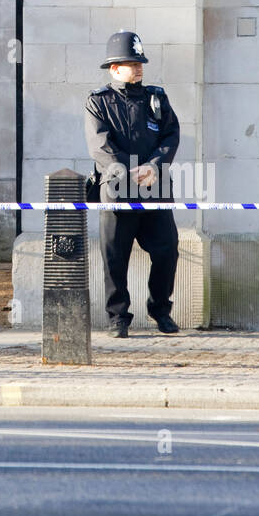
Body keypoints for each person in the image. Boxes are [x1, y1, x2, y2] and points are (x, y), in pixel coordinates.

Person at [84, 30, 181, 337]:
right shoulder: (98, 102)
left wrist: (153, 166)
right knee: (115, 259)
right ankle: (118, 318)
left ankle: (160, 310)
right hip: (117, 191)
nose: (138, 68)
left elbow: (170, 135)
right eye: (131, 63)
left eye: (140, 62)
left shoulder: (157, 98)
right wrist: (131, 171)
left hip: (155, 190)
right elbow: (100, 146)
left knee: (167, 251)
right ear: (114, 68)